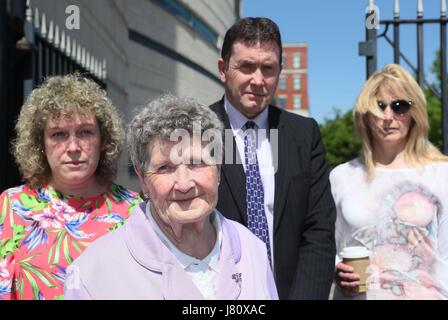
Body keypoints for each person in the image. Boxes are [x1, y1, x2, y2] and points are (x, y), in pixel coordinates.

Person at [63, 94, 278, 300]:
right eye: (165, 168)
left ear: (219, 167)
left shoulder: (253, 249)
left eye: (197, 163)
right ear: (142, 177)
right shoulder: (93, 276)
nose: (183, 184)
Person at [209, 17, 336, 300]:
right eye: (246, 67)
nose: (258, 79)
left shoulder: (303, 134)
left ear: (280, 71)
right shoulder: (199, 132)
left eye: (268, 68)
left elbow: (318, 232)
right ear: (222, 69)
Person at [0, 74, 142, 300]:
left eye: (85, 132)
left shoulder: (135, 210)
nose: (73, 146)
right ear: (41, 144)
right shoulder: (11, 207)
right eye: (58, 134)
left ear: (103, 139)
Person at [331, 64, 448, 300]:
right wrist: (337, 269)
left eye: (399, 106)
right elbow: (329, 248)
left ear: (414, 113)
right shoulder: (342, 176)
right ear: (365, 114)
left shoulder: (440, 174)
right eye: (379, 106)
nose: (388, 117)